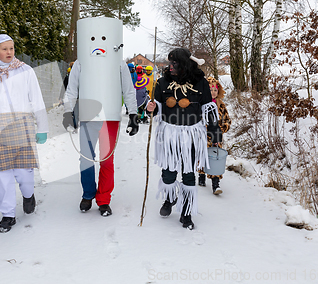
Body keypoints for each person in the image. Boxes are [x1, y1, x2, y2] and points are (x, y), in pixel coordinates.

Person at [63, 16, 139, 217]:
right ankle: (88, 194)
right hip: (88, 116)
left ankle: (104, 199)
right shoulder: (81, 63)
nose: (99, 42)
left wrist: (133, 113)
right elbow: (72, 90)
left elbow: (128, 90)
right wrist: (68, 112)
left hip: (110, 117)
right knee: (86, 159)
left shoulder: (119, 64)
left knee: (107, 159)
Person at [0, 34, 48, 233]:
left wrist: (42, 128)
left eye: (12, 48)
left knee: (24, 173)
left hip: (22, 126)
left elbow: (37, 100)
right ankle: (8, 215)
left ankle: (28, 194)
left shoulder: (26, 71)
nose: (9, 52)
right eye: (4, 49)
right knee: (2, 175)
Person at [146, 48, 218, 230]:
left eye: (175, 63)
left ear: (185, 64)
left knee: (188, 174)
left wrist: (215, 133)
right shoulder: (162, 83)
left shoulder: (200, 83)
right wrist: (151, 108)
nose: (171, 66)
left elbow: (208, 109)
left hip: (192, 135)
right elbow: (156, 108)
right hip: (169, 134)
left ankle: (186, 213)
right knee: (168, 174)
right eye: (170, 62)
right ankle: (170, 198)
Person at [198, 76, 232, 194]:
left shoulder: (220, 105)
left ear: (218, 91)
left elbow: (227, 119)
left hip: (216, 137)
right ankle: (201, 175)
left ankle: (215, 184)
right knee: (202, 157)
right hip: (203, 137)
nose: (213, 93)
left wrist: (222, 128)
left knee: (216, 159)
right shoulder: (201, 104)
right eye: (210, 90)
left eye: (215, 90)